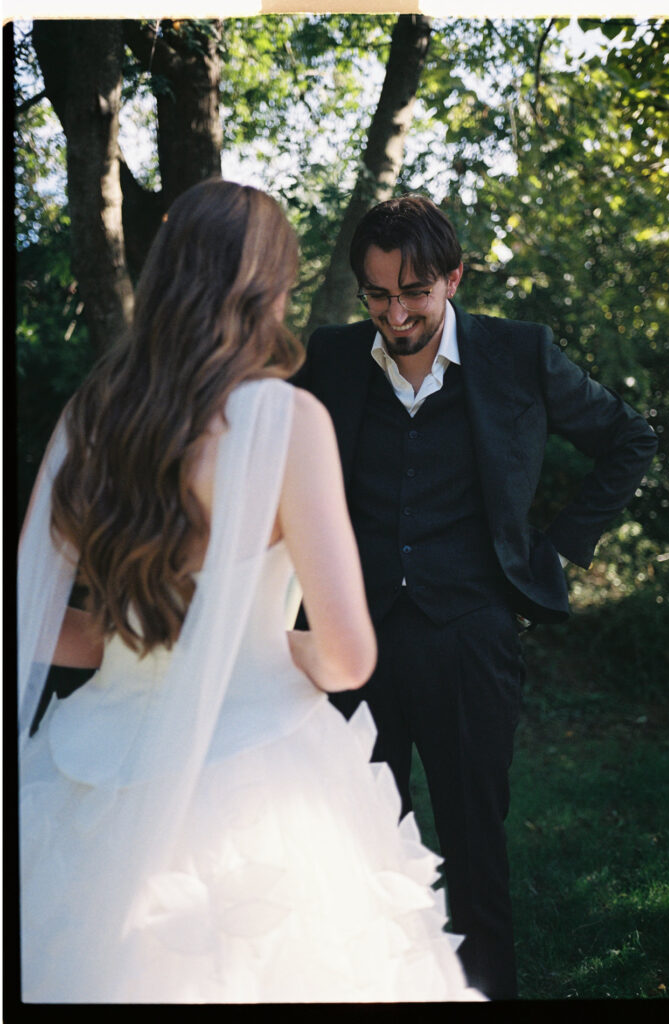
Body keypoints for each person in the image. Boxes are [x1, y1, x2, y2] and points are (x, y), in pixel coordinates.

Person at [18, 180, 487, 1003]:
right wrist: (280, 647)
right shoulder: (284, 420)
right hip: (259, 772)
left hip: (93, 768)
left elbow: (43, 622)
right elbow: (346, 658)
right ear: (268, 286)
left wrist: (135, 644)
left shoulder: (90, 422)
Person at [293, 193, 658, 999]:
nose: (395, 313)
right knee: (356, 835)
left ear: (452, 278)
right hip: (353, 638)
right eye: (378, 294)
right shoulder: (328, 357)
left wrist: (554, 550)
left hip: (472, 635)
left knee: (472, 843)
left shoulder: (519, 353)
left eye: (414, 292)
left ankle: (488, 994)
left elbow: (630, 439)